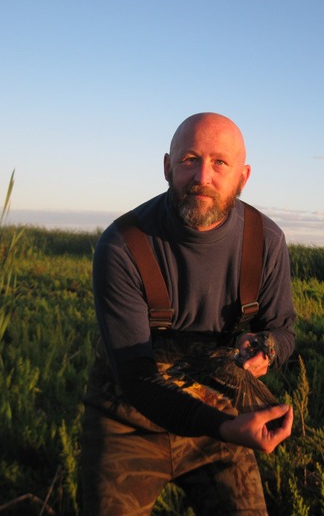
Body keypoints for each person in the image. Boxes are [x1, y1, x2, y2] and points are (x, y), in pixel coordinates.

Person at [81, 112, 296, 515]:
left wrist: (265, 348)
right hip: (129, 423)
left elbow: (282, 331)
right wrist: (229, 427)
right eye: (189, 160)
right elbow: (136, 377)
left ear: (243, 176)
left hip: (218, 416)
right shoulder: (123, 246)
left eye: (220, 163)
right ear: (167, 167)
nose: (202, 177)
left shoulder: (265, 241)